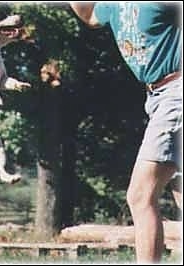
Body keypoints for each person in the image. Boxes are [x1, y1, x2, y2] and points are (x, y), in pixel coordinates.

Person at [70, 2, 182, 263]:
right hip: (156, 98)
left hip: (176, 92)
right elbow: (88, 15)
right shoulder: (114, 6)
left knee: (140, 196)